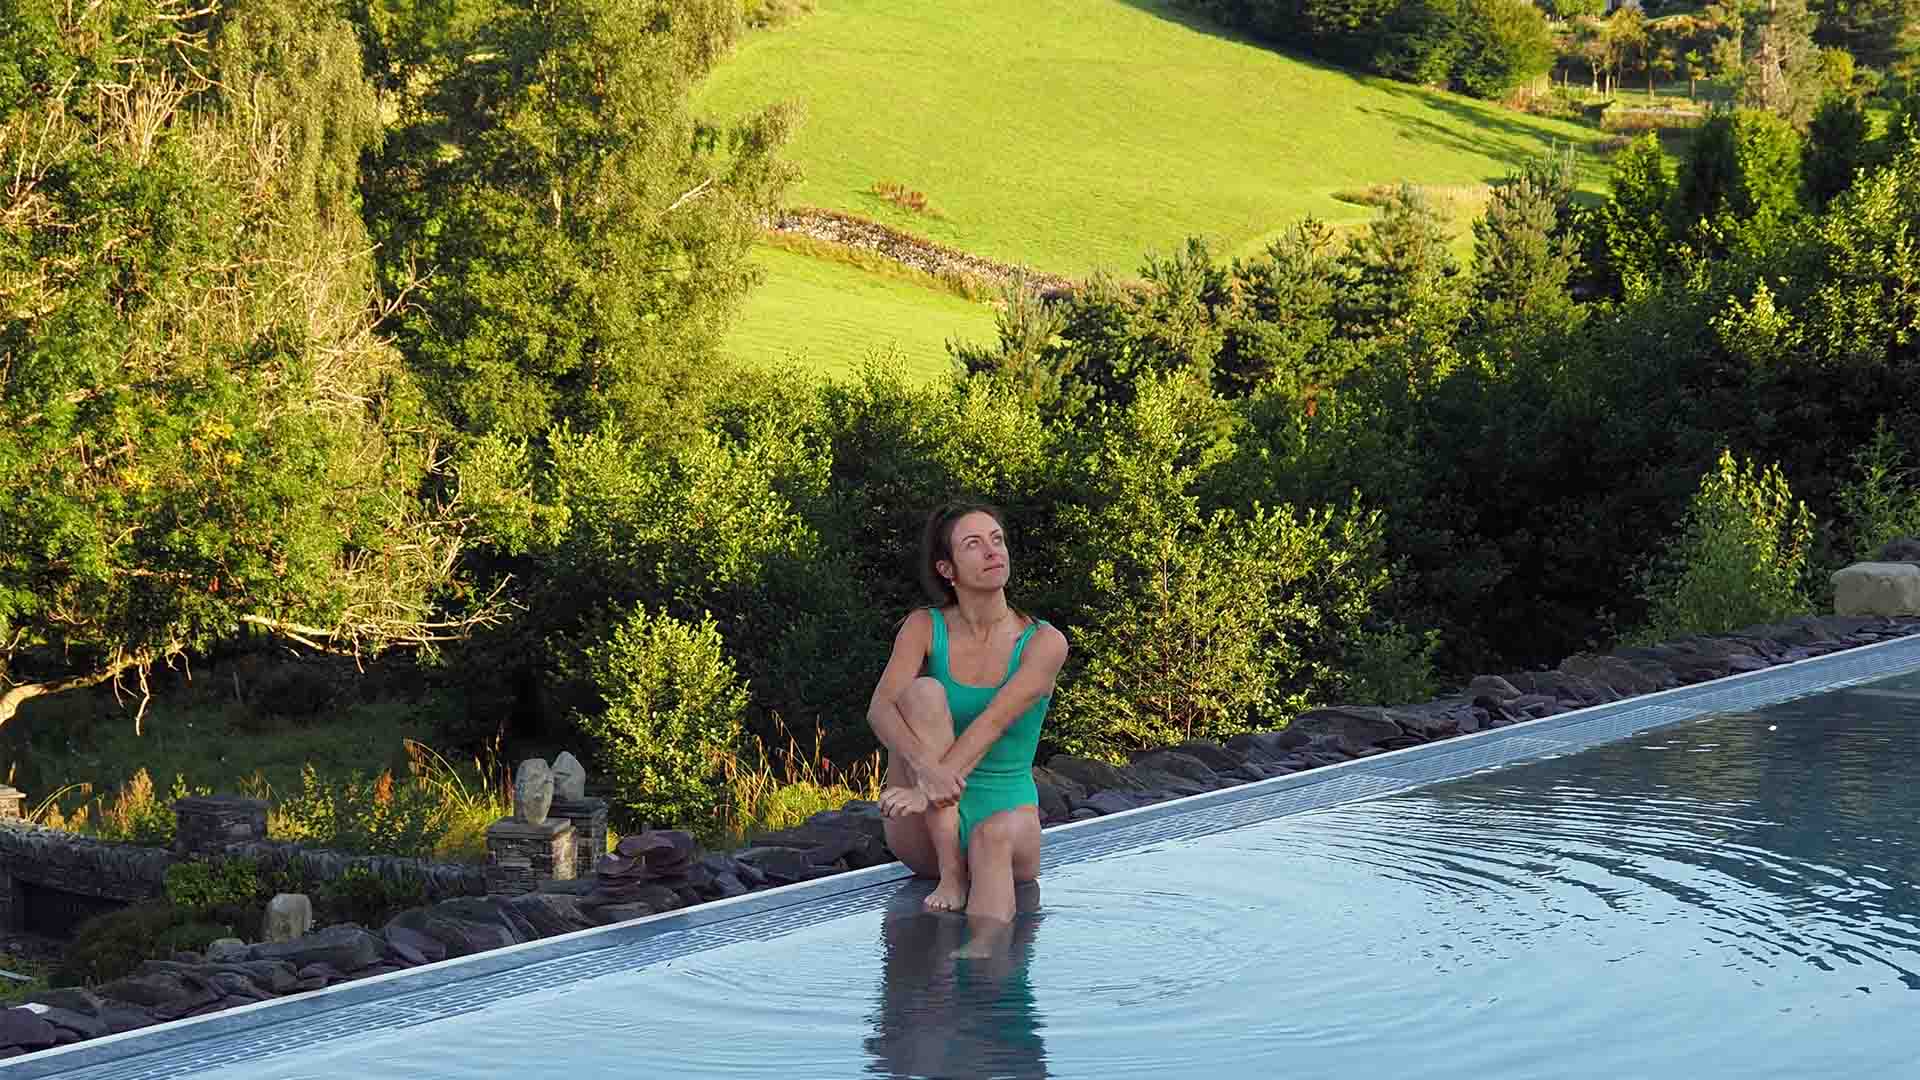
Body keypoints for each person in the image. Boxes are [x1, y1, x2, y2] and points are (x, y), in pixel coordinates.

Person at [864, 500, 1070, 928]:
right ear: (947, 569)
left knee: (992, 840)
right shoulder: (924, 626)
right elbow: (879, 709)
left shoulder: (1044, 642)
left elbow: (994, 720)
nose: (993, 551)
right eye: (973, 544)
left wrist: (933, 784)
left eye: (997, 540)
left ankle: (983, 959)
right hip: (924, 829)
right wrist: (926, 774)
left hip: (1004, 814)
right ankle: (951, 874)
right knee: (921, 694)